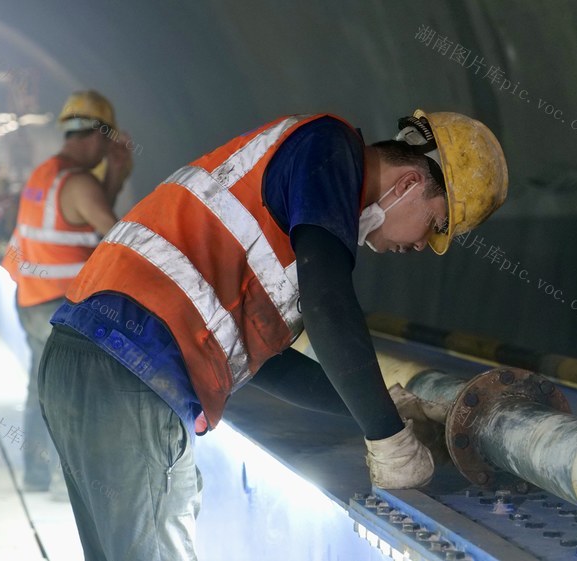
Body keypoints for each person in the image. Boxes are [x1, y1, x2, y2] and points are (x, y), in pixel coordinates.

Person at [37, 109, 509, 560]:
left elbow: (267, 366)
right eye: (435, 223)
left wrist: (384, 405)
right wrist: (386, 437)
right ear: (409, 184)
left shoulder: (289, 209)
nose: (422, 245)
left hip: (93, 361)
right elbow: (329, 304)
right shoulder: (328, 148)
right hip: (130, 372)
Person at [1, 90, 132, 496]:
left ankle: (37, 474)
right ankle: (67, 481)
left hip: (30, 298)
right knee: (76, 395)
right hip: (62, 307)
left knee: (42, 389)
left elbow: (78, 221)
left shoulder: (47, 175)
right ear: (101, 137)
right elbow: (117, 242)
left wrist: (112, 178)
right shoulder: (79, 183)